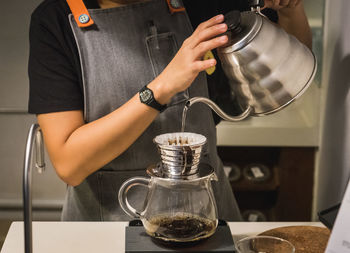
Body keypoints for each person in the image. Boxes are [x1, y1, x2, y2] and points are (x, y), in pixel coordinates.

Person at [28, 0, 312, 221]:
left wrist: (291, 12)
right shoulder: (54, 22)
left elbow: (292, 62)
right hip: (107, 225)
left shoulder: (198, 4)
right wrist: (161, 88)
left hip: (207, 216)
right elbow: (69, 164)